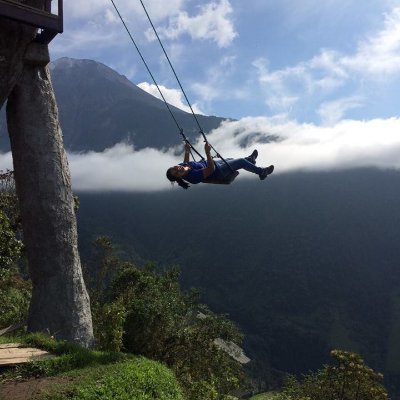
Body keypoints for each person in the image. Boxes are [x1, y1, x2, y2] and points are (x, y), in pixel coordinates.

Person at [166, 142, 274, 189]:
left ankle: (250, 160)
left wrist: (187, 151)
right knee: (240, 161)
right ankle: (261, 172)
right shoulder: (192, 178)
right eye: (176, 173)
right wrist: (208, 152)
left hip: (216, 164)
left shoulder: (181, 166)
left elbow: (186, 163)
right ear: (178, 178)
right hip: (218, 171)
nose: (177, 169)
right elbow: (210, 169)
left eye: (174, 168)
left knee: (233, 160)